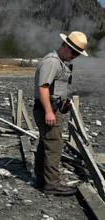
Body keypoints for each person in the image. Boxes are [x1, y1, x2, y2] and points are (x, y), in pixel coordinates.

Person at [33, 31, 88, 196]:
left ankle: (42, 179)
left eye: (78, 54)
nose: (75, 56)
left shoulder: (59, 62)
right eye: (74, 52)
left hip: (52, 108)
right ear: (65, 45)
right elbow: (43, 88)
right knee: (54, 146)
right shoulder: (52, 62)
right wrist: (50, 111)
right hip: (48, 110)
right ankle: (52, 185)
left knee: (46, 144)